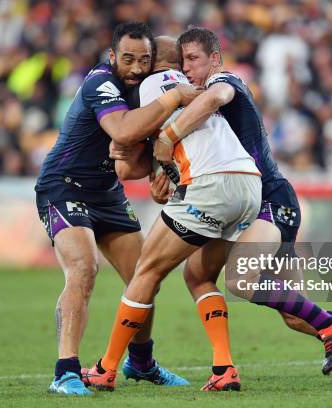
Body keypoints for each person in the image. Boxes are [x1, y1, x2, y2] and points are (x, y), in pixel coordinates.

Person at [152, 26, 332, 390]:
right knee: (293, 312)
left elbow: (217, 97)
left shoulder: (225, 81)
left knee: (241, 280)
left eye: (194, 60)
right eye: (183, 64)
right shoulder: (196, 103)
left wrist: (167, 138)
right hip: (261, 205)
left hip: (271, 201)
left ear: (215, 58)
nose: (188, 70)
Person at [81, 35, 263, 392]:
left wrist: (129, 153)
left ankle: (106, 368)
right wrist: (162, 169)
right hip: (248, 186)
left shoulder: (149, 88)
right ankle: (224, 368)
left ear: (154, 62)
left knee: (146, 270)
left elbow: (125, 168)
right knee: (198, 276)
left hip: (210, 185)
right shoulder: (195, 86)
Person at [35, 22, 198, 396]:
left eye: (145, 61)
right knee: (83, 267)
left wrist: (160, 178)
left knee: (146, 275)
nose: (137, 68)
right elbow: (123, 132)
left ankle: (141, 363)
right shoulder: (101, 83)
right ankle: (66, 371)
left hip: (107, 193)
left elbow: (129, 165)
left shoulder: (143, 94)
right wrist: (174, 98)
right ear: (113, 56)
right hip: (64, 186)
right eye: (128, 59)